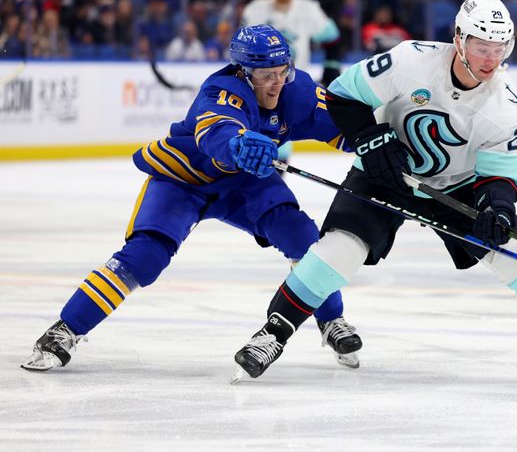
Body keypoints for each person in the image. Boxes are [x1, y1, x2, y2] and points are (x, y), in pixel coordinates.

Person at [232, 0, 517, 384]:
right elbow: (341, 94)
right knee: (340, 249)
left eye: (499, 49)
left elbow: (500, 175)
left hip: (457, 187)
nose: (490, 59)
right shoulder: (409, 60)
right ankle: (273, 333)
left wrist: (497, 208)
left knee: (513, 252)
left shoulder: (507, 105)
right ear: (459, 39)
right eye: (482, 47)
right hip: (384, 173)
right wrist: (370, 138)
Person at [21, 25, 363, 373]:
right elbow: (218, 130)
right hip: (184, 179)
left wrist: (385, 146)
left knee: (302, 238)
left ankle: (332, 319)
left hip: (243, 183)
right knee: (145, 255)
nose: (276, 83)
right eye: (265, 76)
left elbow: (349, 129)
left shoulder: (298, 89)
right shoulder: (221, 90)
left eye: (281, 72)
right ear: (244, 73)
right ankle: (65, 329)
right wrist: (237, 145)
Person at [241, 0, 341, 87]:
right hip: (260, 82)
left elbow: (332, 39)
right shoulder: (255, 9)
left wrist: (330, 69)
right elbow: (242, 46)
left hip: (296, 81)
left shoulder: (309, 9)